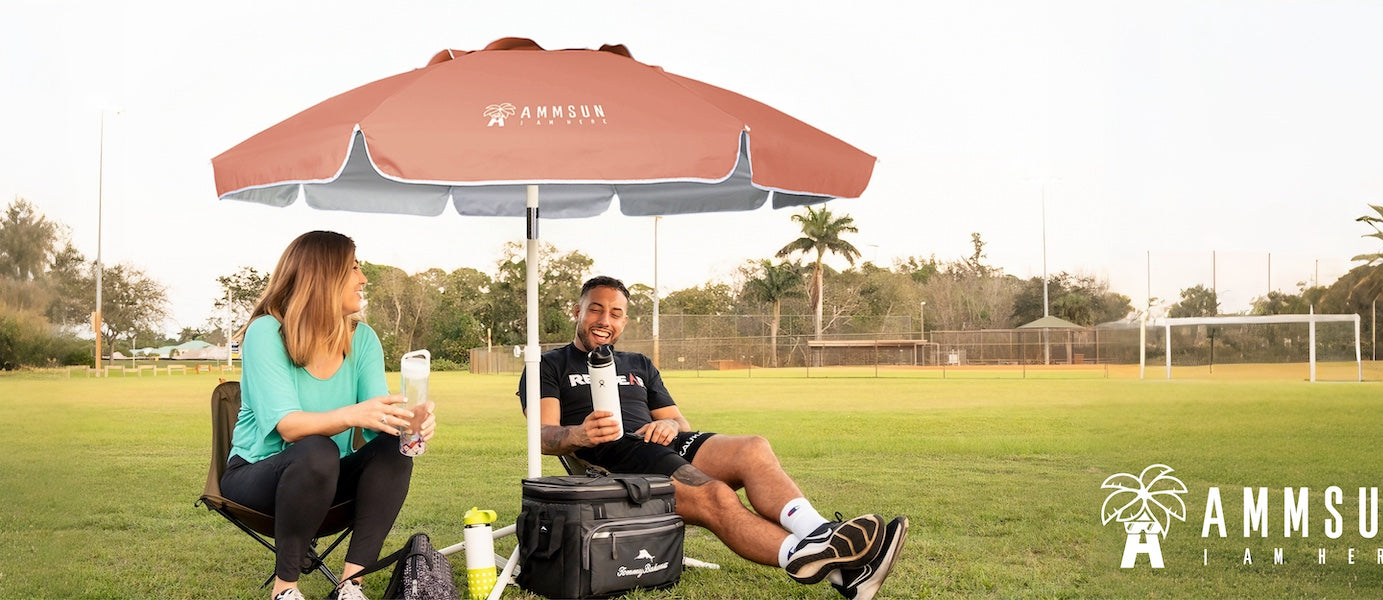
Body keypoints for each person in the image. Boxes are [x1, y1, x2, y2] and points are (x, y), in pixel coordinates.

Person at [518, 275, 909, 599]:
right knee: (715, 494)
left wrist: (669, 426)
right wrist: (581, 433)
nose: (605, 319)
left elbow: (678, 422)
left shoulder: (639, 364)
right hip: (612, 457)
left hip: (661, 443)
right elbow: (544, 437)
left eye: (616, 313)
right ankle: (807, 555)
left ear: (624, 321)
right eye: (596, 309)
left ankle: (823, 537)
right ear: (578, 312)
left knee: (753, 448)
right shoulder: (549, 364)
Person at [221, 231, 436, 600]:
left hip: (328, 476)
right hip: (258, 478)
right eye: (353, 267)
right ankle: (284, 590)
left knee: (393, 446)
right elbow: (289, 427)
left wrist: (410, 424)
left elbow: (376, 421)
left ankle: (351, 586)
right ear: (323, 276)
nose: (363, 278)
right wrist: (354, 414)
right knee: (316, 448)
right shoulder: (266, 332)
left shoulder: (363, 338)